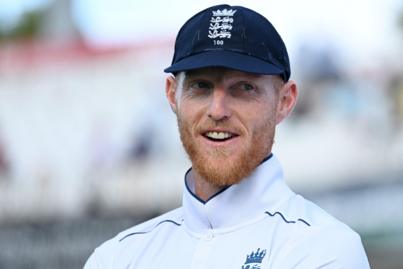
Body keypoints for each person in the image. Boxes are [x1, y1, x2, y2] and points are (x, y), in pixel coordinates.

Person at [84, 4, 370, 269]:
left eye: (244, 88)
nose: (218, 110)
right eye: (201, 86)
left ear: (285, 101)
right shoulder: (116, 258)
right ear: (172, 95)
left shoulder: (325, 249)